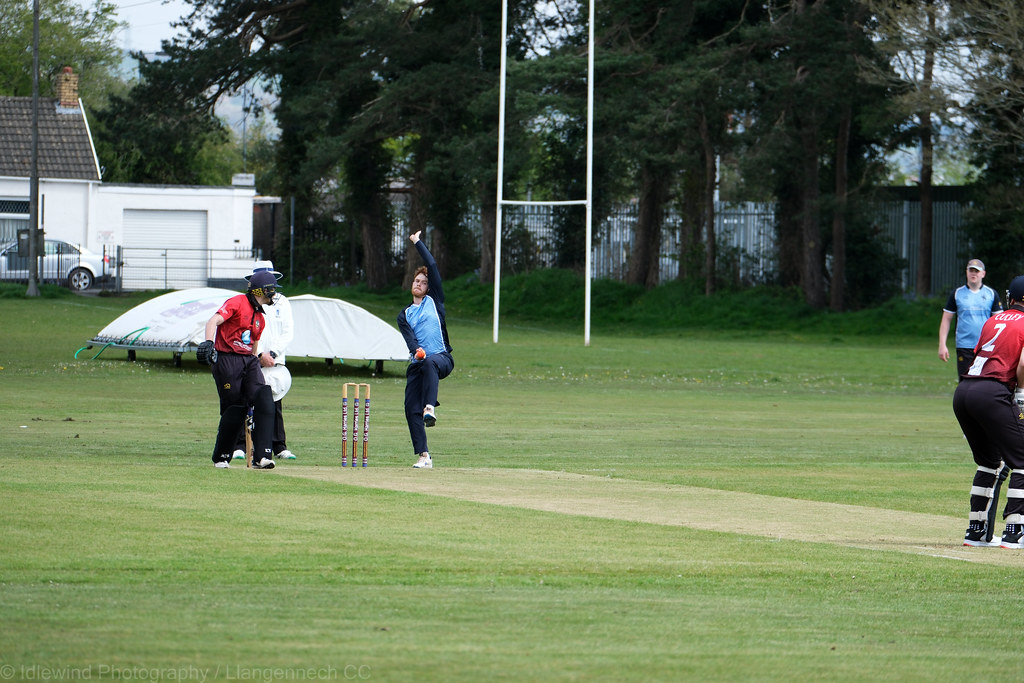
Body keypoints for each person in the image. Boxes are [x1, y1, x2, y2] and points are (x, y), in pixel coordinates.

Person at [953, 275, 1024, 547]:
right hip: (992, 392)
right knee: (1022, 460)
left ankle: (977, 531)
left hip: (964, 391)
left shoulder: (993, 319)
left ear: (1012, 298)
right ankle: (1015, 532)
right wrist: (1021, 393)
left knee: (990, 462)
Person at [196, 271, 279, 470]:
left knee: (264, 397)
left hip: (248, 361)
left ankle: (263, 456)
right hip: (226, 359)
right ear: (261, 290)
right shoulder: (237, 302)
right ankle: (222, 456)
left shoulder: (261, 317)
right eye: (271, 289)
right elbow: (213, 321)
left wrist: (256, 360)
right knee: (234, 407)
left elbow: (253, 346)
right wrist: (208, 343)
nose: (274, 294)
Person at [397, 231, 454, 469]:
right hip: (418, 364)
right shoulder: (405, 314)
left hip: (441, 358)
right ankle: (424, 456)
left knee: (430, 362)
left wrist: (417, 242)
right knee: (410, 408)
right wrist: (416, 350)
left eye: (423, 282)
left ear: (429, 287)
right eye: (416, 281)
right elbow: (410, 340)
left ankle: (430, 407)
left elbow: (431, 264)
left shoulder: (435, 301)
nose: (418, 284)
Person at [231, 260, 297, 461]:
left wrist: (273, 354)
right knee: (245, 401)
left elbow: (288, 332)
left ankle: (278, 446)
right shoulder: (247, 303)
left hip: (275, 363)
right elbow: (246, 331)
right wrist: (257, 356)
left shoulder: (282, 302)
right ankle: (240, 445)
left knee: (273, 403)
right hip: (251, 359)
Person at [939, 258, 1002, 379]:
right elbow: (946, 319)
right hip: (964, 346)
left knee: (984, 382)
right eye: (971, 270)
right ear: (966, 272)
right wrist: (942, 344)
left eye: (977, 271)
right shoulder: (957, 294)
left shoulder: (991, 294)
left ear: (983, 273)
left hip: (986, 346)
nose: (974, 273)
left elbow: (999, 321)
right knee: (965, 382)